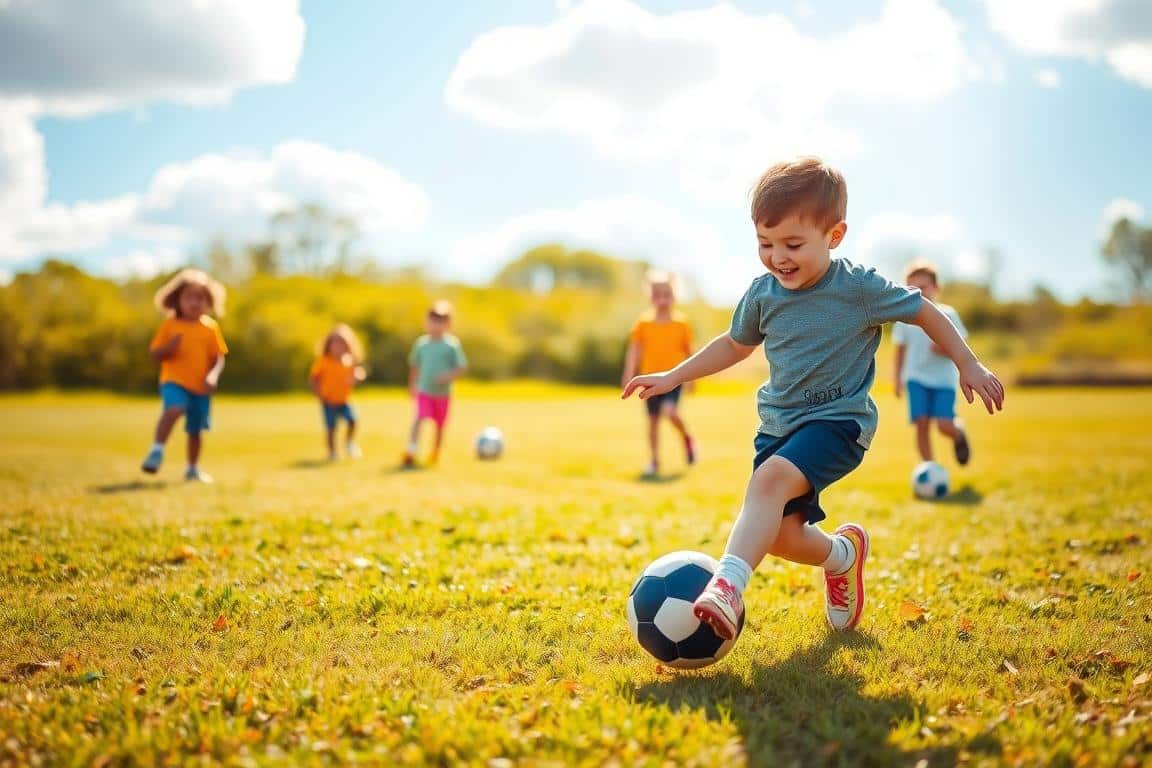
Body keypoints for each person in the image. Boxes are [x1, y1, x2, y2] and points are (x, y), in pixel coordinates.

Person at [622, 157, 1004, 640]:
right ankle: (841, 556)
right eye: (765, 243)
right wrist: (674, 374)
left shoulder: (859, 288)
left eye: (793, 244)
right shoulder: (763, 293)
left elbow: (924, 312)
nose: (778, 256)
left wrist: (968, 362)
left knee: (767, 482)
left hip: (839, 424)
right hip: (779, 427)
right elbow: (734, 345)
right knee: (779, 535)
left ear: (835, 235)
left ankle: (727, 585)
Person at [140, 268, 229, 483]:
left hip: (201, 386)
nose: (194, 302)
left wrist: (213, 376)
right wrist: (169, 347)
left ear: (208, 301)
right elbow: (154, 353)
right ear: (177, 300)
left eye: (200, 298)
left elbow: (218, 357)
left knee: (196, 431)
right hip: (174, 381)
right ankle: (157, 450)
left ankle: (192, 469)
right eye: (189, 297)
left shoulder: (210, 328)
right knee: (174, 409)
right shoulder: (170, 325)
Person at [892, 262, 971, 465]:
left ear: (936, 289)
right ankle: (930, 470)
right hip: (915, 378)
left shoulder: (949, 314)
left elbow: (962, 348)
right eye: (912, 287)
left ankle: (958, 432)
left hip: (944, 380)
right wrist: (897, 378)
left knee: (944, 425)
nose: (918, 292)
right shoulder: (903, 318)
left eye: (923, 287)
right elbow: (900, 349)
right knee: (921, 424)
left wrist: (944, 349)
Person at [621, 270, 697, 477]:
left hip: (674, 378)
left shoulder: (681, 323)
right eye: (658, 295)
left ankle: (687, 437)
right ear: (651, 297)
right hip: (649, 379)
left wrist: (692, 378)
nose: (663, 299)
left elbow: (689, 352)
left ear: (674, 296)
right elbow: (634, 350)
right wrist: (628, 374)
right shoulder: (643, 323)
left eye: (667, 294)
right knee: (653, 421)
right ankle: (654, 462)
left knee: (670, 412)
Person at [403, 301, 467, 468]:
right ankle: (411, 450)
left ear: (448, 325)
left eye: (440, 322)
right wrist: (412, 385)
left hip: (443, 393)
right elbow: (414, 365)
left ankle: (435, 452)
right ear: (426, 322)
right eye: (433, 321)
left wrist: (448, 376)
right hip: (424, 390)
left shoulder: (451, 345)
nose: (436, 326)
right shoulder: (422, 344)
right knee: (419, 419)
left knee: (440, 425)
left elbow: (461, 367)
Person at [309, 324, 367, 461]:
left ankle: (349, 443)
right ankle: (332, 452)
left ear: (348, 346)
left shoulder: (348, 361)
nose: (338, 347)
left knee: (353, 421)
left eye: (342, 344)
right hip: (328, 400)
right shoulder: (323, 361)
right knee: (331, 428)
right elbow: (314, 378)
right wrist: (318, 394)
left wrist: (358, 377)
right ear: (328, 345)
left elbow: (358, 373)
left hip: (344, 400)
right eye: (335, 344)